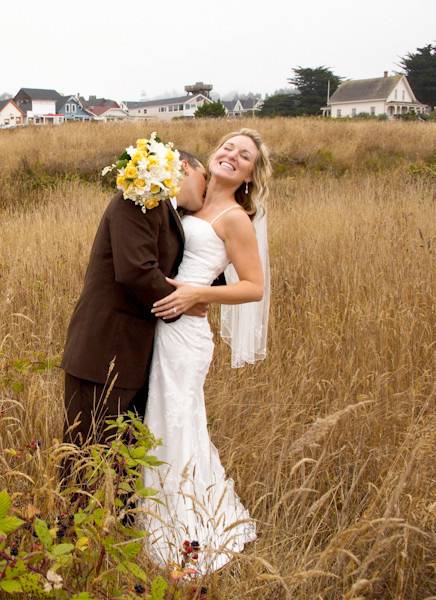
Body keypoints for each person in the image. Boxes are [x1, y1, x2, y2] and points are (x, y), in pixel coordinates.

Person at [141, 128, 272, 574]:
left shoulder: (234, 217)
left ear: (251, 174)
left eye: (245, 156)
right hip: (161, 324)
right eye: (228, 147)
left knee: (175, 424)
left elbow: (254, 287)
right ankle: (146, 516)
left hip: (186, 334)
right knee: (156, 419)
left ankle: (182, 530)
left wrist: (199, 293)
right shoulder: (191, 199)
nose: (232, 156)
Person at [60, 151, 209, 455]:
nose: (208, 191)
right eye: (206, 178)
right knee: (85, 458)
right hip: (104, 352)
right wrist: (182, 304)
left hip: (135, 357)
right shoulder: (140, 195)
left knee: (124, 464)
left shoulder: (166, 209)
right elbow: (136, 270)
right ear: (186, 168)